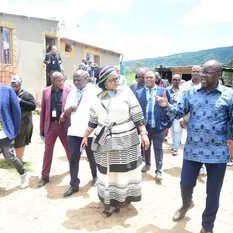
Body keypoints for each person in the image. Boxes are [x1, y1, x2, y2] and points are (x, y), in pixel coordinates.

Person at [156, 60, 233, 233]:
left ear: (218, 75)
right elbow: (178, 112)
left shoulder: (229, 95)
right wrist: (167, 106)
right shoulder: (191, 93)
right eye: (201, 72)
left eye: (207, 73)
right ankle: (186, 203)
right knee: (185, 184)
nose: (202, 76)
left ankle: (207, 226)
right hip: (193, 150)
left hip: (217, 153)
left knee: (213, 193)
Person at [81, 65, 149, 216]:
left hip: (126, 139)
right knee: (106, 172)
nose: (116, 81)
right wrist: (86, 135)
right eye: (112, 80)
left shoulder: (126, 92)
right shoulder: (97, 97)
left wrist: (143, 133)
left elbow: (137, 114)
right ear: (104, 81)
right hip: (104, 140)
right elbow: (93, 120)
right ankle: (108, 201)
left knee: (124, 172)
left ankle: (123, 199)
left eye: (117, 78)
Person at [62, 70, 98, 197]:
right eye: (74, 79)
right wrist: (69, 109)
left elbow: (99, 112)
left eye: (79, 79)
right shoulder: (71, 92)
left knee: (92, 157)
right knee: (73, 158)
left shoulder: (95, 91)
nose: (76, 82)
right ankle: (74, 184)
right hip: (74, 131)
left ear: (87, 78)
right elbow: (65, 112)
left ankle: (95, 177)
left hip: (90, 133)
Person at [136, 70, 171, 182]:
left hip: (158, 127)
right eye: (146, 77)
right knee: (145, 146)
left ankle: (159, 171)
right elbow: (136, 110)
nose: (148, 79)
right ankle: (147, 164)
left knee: (158, 148)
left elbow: (170, 108)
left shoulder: (163, 91)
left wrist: (167, 123)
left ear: (155, 79)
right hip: (145, 127)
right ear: (144, 79)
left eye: (151, 77)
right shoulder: (139, 92)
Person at [38, 71, 71, 187]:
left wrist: (65, 115)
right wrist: (42, 130)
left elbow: (72, 108)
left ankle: (73, 170)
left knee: (69, 149)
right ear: (52, 81)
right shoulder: (46, 91)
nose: (61, 82)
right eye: (58, 80)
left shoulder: (69, 90)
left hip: (64, 125)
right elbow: (43, 111)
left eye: (62, 80)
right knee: (47, 151)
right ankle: (45, 176)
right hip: (51, 126)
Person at [11, 75, 36, 162]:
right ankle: (13, 159)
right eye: (12, 84)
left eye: (16, 84)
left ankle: (19, 160)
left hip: (24, 123)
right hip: (13, 122)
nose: (14, 86)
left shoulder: (26, 94)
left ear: (20, 84)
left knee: (20, 141)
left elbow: (33, 106)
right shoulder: (11, 93)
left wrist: (20, 101)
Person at [168, 74, 183, 156]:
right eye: (174, 79)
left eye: (178, 80)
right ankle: (175, 144)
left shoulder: (183, 91)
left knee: (177, 130)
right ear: (171, 80)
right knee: (173, 130)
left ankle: (175, 148)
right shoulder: (167, 90)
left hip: (179, 113)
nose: (176, 81)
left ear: (180, 81)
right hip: (170, 114)